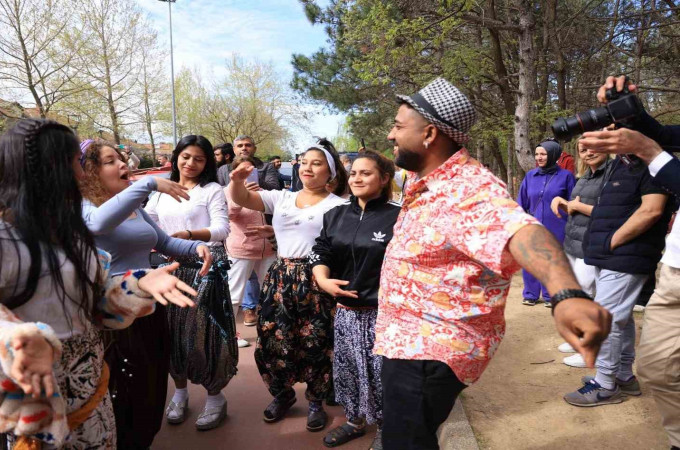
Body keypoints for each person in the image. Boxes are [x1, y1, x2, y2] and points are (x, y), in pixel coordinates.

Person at [0, 119, 198, 449]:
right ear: (48, 167)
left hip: (96, 403)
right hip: (40, 422)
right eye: (75, 163)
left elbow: (92, 304)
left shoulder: (70, 229)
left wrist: (135, 286)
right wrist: (11, 350)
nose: (82, 175)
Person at [374, 77, 611, 450]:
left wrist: (566, 293)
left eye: (399, 126)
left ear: (430, 134)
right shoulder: (430, 182)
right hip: (411, 342)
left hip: (428, 349)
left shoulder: (465, 188)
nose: (390, 134)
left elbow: (521, 231)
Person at [80, 139, 212, 449]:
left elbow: (163, 243)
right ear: (90, 171)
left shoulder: (133, 207)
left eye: (122, 159)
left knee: (151, 389)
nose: (123, 164)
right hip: (116, 317)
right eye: (111, 161)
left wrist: (197, 247)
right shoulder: (85, 206)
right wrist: (150, 183)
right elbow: (97, 225)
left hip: (152, 310)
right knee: (126, 394)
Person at [577, 75, 680, 448]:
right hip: (673, 269)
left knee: (608, 316)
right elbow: (665, 135)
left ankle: (607, 382)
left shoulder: (644, 167)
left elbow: (652, 207)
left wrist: (648, 153)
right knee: (657, 371)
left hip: (631, 255)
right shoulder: (621, 165)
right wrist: (630, 113)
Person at [229, 138, 348, 431]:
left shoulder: (339, 205)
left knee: (317, 343)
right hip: (280, 277)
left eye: (316, 163)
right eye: (304, 161)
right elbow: (243, 199)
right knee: (271, 340)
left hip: (317, 278)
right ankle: (282, 395)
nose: (308, 168)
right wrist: (236, 181)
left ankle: (316, 401)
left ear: (330, 173)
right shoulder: (282, 197)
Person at [144, 135, 236, 431]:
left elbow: (222, 228)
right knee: (169, 334)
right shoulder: (159, 191)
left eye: (199, 158)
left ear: (207, 162)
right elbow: (147, 224)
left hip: (203, 270)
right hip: (165, 270)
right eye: (186, 157)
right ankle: (180, 393)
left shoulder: (211, 190)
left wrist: (187, 235)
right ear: (176, 158)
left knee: (202, 336)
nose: (191, 163)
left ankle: (214, 397)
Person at [310, 150, 400, 449]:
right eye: (354, 172)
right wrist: (322, 279)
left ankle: (389, 428)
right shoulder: (335, 215)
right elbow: (321, 251)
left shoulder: (399, 216)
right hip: (346, 312)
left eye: (366, 173)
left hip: (384, 314)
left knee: (383, 374)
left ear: (384, 178)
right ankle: (355, 420)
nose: (357, 178)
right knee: (348, 370)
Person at [550, 141, 613, 368]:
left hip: (593, 243)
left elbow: (612, 212)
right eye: (583, 150)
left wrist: (577, 207)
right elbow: (576, 206)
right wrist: (563, 203)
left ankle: (590, 346)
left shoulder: (612, 174)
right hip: (574, 243)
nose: (588, 153)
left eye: (592, 148)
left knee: (587, 293)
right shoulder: (584, 176)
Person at [517, 139, 576, 306]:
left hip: (557, 225)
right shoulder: (530, 176)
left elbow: (572, 202)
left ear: (553, 155)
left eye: (543, 154)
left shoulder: (566, 176)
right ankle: (530, 294)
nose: (539, 157)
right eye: (537, 154)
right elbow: (521, 202)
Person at [224, 155, 277, 333]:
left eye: (251, 171)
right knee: (233, 295)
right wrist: (241, 195)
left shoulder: (261, 191)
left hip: (267, 249)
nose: (247, 174)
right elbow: (230, 215)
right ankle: (229, 337)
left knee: (273, 292)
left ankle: (273, 333)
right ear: (234, 172)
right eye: (242, 171)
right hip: (242, 249)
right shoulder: (227, 191)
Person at [216, 135, 281, 189]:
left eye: (248, 145)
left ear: (254, 149)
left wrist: (253, 177)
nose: (244, 148)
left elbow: (275, 189)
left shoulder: (267, 167)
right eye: (240, 146)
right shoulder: (223, 169)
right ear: (234, 150)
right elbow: (218, 192)